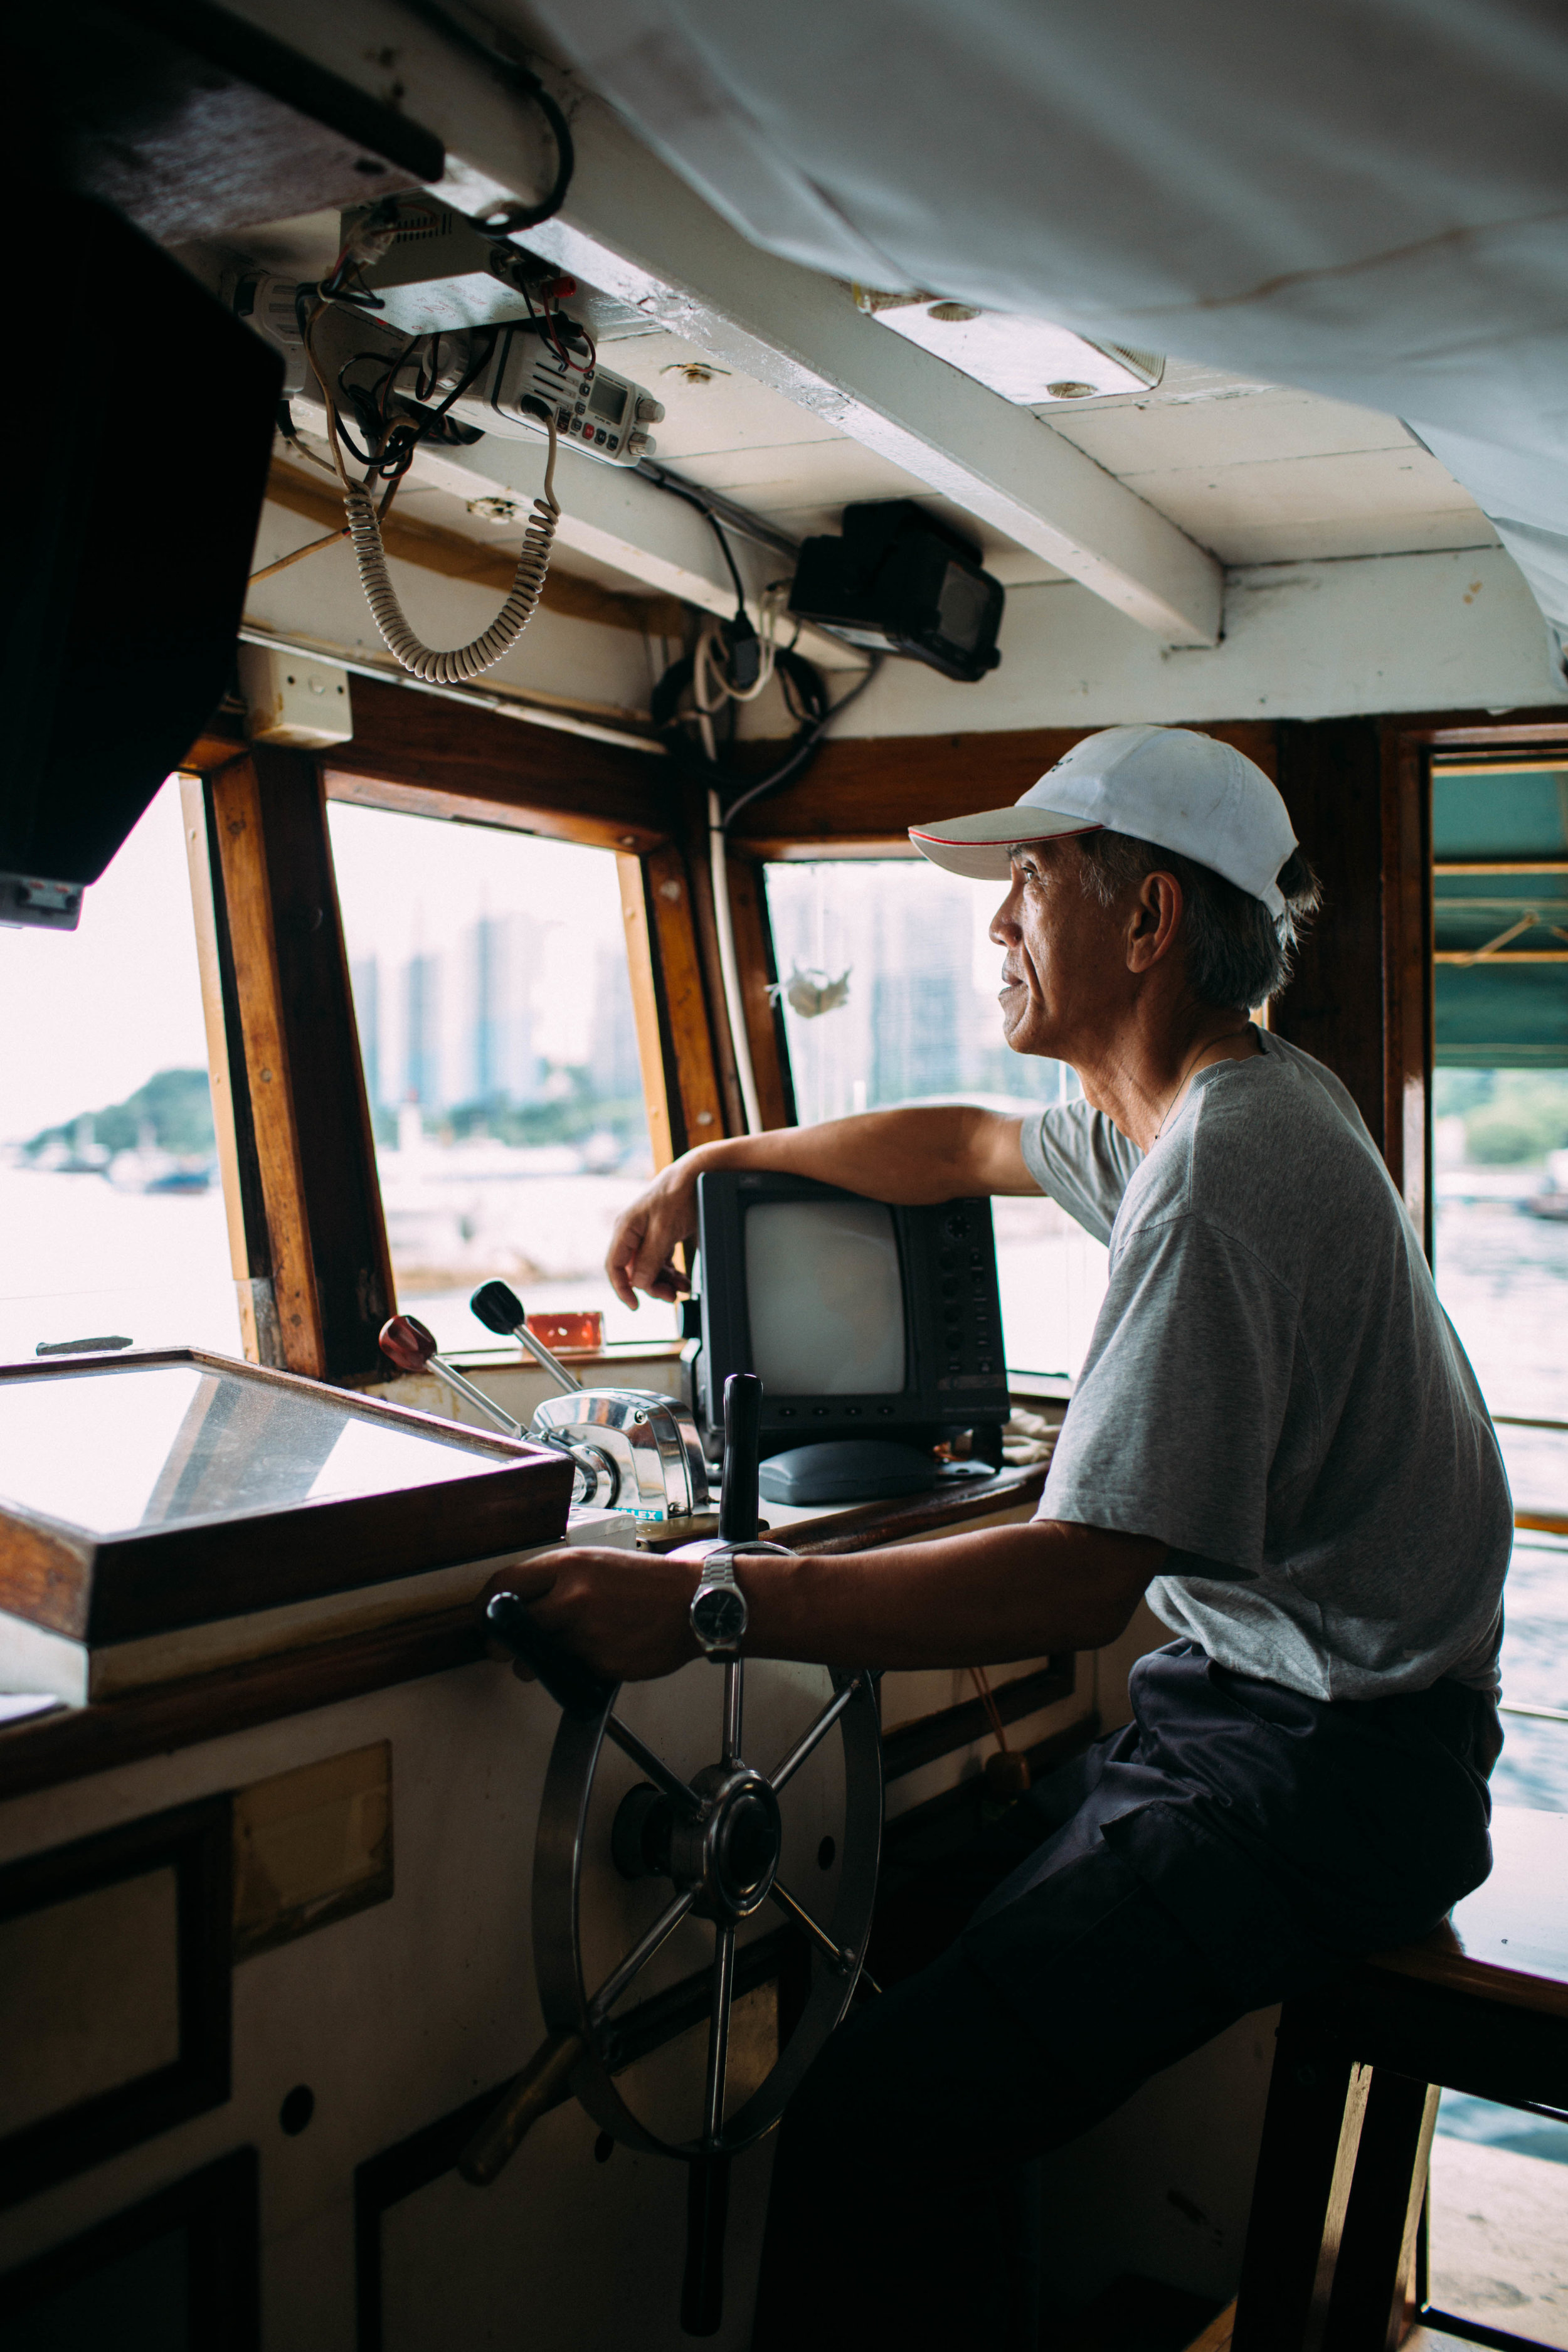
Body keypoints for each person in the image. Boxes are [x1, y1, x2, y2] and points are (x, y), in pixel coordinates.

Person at [495, 724, 1511, 2349]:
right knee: (913, 1937)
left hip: (1320, 1776)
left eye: (1026, 885)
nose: (992, 927)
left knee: (874, 2124)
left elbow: (1077, 1574)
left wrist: (706, 1601)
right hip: (1278, 1722)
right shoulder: (1213, 1106)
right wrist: (718, 1159)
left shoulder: (1222, 1176)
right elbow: (961, 1144)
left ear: (1147, 921)